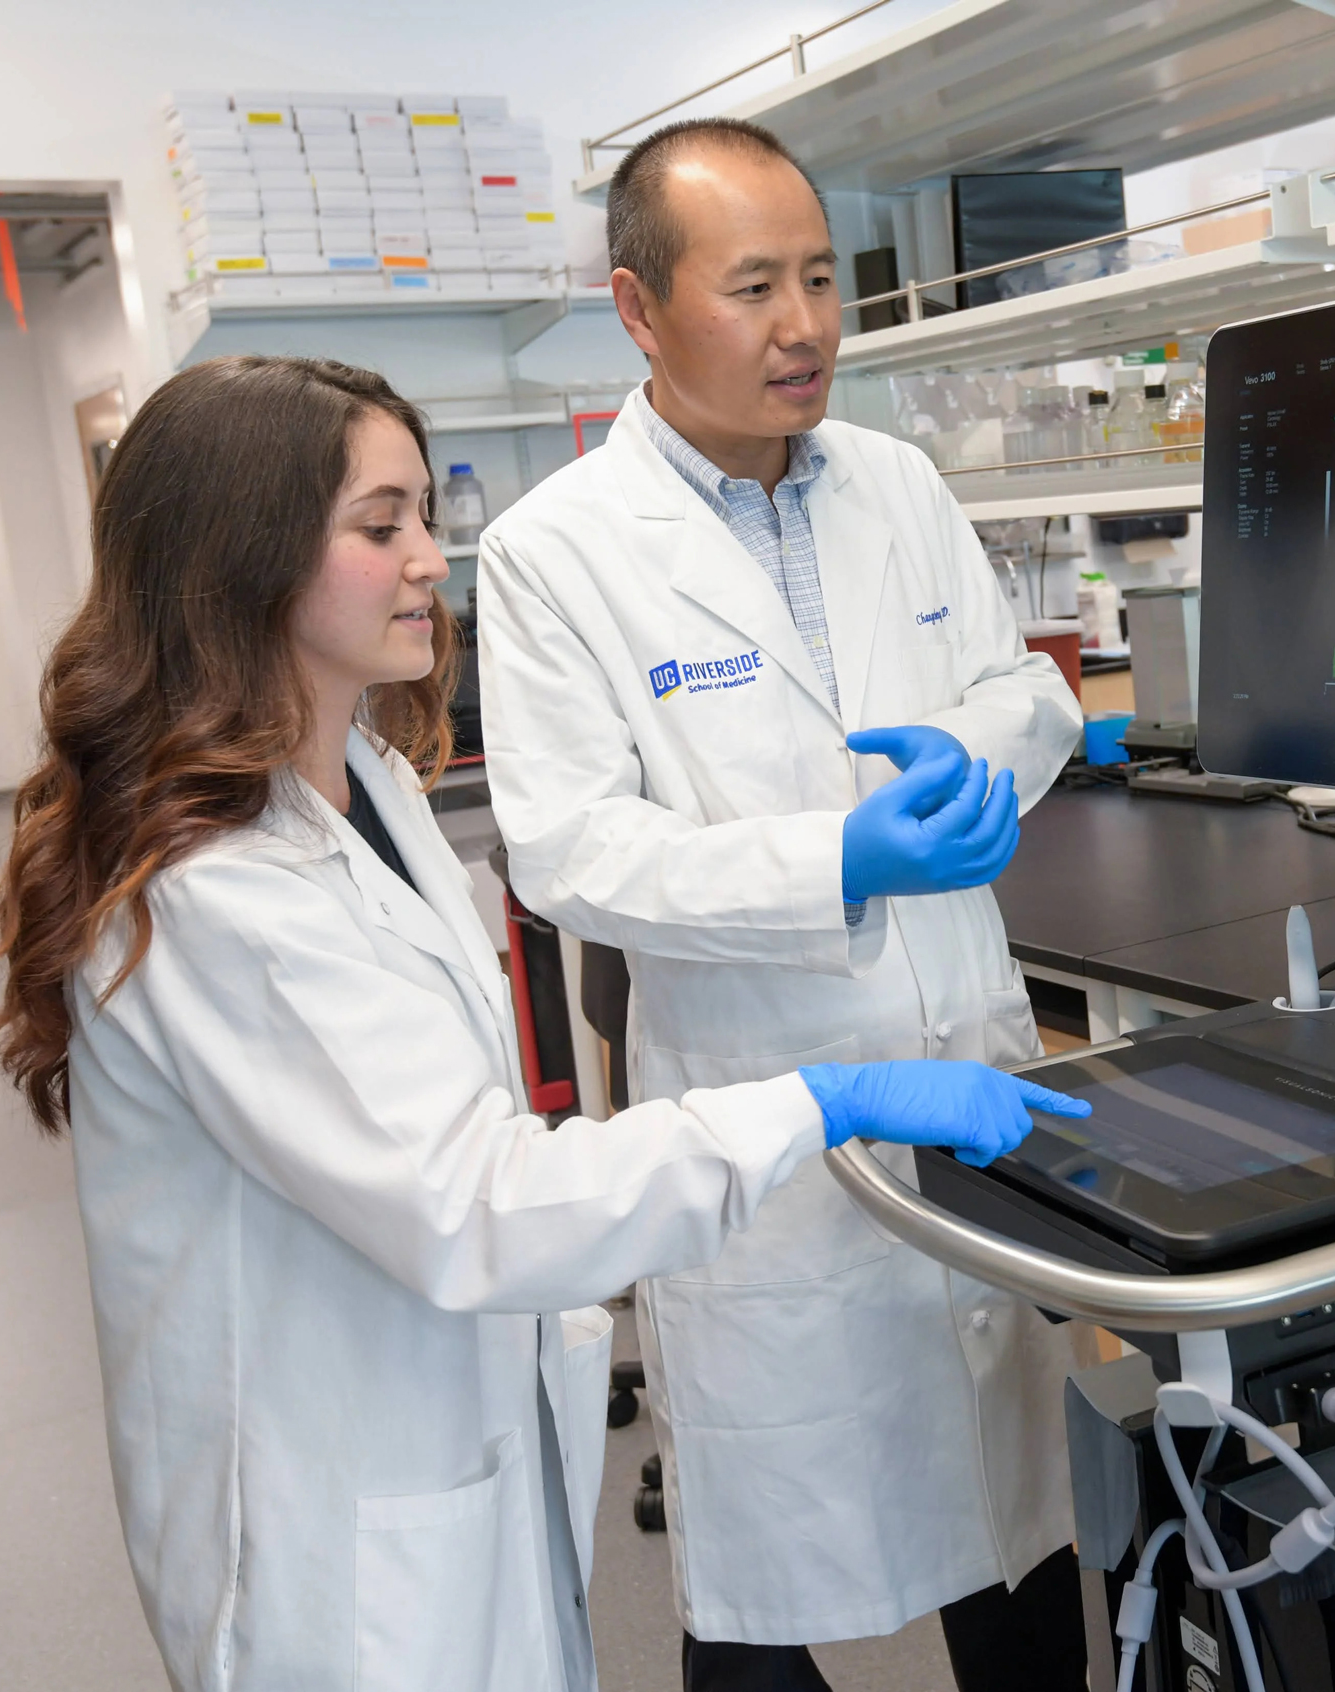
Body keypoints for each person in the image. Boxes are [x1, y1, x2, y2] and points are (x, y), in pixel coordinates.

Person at [0, 354, 1088, 1692]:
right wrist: (825, 1100)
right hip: (331, 1527)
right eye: (379, 527)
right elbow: (478, 1202)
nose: (428, 562)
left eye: (420, 523)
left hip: (453, 1441)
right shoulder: (218, 896)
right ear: (244, 558)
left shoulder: (367, 788)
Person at [477, 118, 1089, 1689]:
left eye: (820, 277)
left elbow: (1025, 691)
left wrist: (973, 755)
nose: (805, 324)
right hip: (760, 1120)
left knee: (1019, 1533)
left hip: (967, 1064)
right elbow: (567, 851)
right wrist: (839, 860)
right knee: (763, 1596)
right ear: (639, 308)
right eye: (754, 286)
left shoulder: (892, 479)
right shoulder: (560, 553)